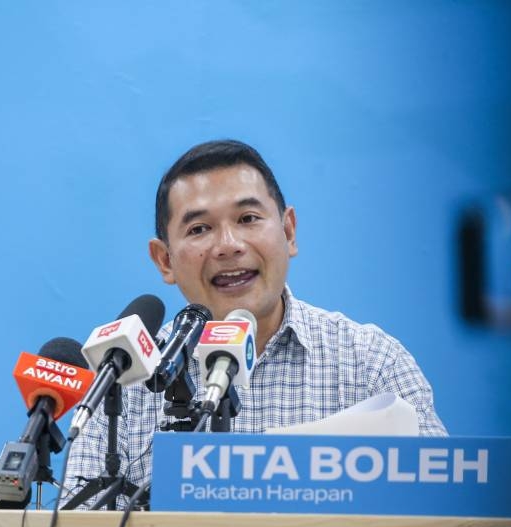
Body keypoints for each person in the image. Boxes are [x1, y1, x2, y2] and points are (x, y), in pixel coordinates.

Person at [63, 139, 447, 508]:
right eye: (199, 229)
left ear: (289, 232)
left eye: (248, 219)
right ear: (164, 260)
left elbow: (442, 512)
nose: (228, 244)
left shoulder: (371, 364)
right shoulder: (124, 381)